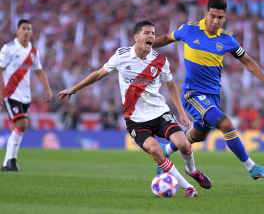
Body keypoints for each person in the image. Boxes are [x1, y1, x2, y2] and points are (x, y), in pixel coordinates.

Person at [58, 20, 212, 197]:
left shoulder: (161, 60)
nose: (151, 36)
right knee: (155, 151)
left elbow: (170, 85)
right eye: (147, 33)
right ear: (136, 37)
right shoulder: (122, 55)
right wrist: (74, 88)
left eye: (153, 33)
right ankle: (189, 188)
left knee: (183, 143)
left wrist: (181, 112)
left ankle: (192, 170)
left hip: (160, 113)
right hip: (136, 120)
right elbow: (99, 74)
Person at [153, 0, 264, 179]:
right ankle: (252, 168)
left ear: (225, 18)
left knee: (198, 136)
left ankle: (164, 152)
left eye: (220, 18)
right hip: (193, 94)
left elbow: (246, 60)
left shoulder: (228, 39)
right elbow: (167, 38)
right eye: (212, 16)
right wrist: (148, 44)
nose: (215, 21)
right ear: (206, 14)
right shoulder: (189, 29)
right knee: (227, 124)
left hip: (213, 97)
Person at [0, 19, 52, 171]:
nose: (26, 31)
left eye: (29, 29)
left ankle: (7, 164)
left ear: (32, 32)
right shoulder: (8, 49)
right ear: (17, 31)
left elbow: (39, 71)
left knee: (16, 128)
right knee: (22, 124)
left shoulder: (33, 51)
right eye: (23, 28)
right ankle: (12, 160)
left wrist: (47, 89)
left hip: (25, 96)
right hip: (10, 94)